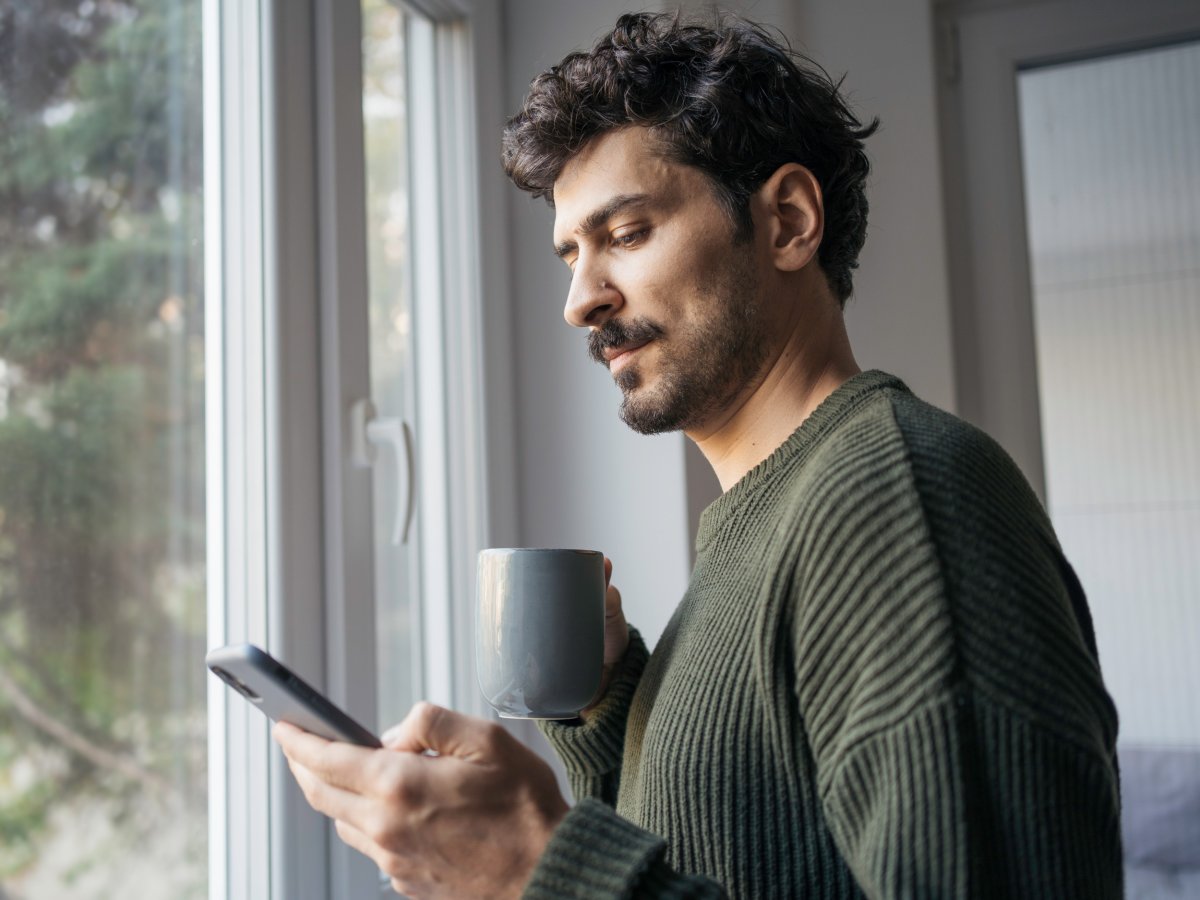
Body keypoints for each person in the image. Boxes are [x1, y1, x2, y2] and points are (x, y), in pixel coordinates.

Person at [275, 11, 1123, 898]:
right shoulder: (774, 516)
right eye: (571, 253)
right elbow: (740, 854)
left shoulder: (893, 501)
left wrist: (536, 868)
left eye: (627, 234)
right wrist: (609, 705)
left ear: (789, 222)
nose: (579, 301)